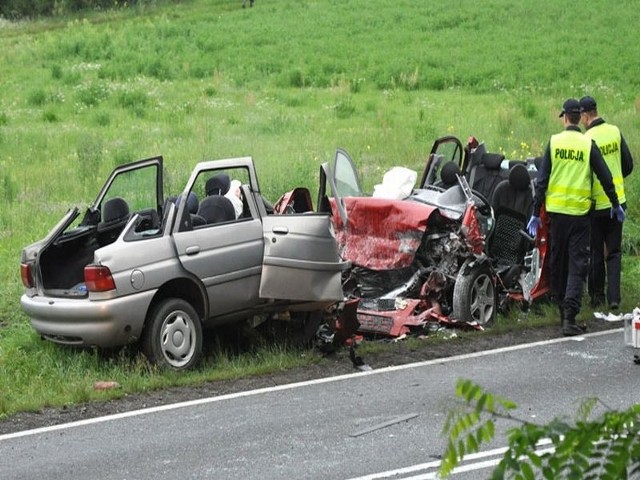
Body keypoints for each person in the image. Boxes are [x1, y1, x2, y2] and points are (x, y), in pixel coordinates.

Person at [527, 98, 624, 336]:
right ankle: (569, 317)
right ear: (579, 116)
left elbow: (542, 181)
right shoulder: (587, 143)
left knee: (558, 262)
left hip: (557, 215)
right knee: (577, 264)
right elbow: (605, 175)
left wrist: (534, 212)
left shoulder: (554, 142)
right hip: (580, 216)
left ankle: (563, 311)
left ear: (564, 118)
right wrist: (614, 203)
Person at [580, 96, 634, 311]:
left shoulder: (588, 138)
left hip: (596, 205)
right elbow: (628, 165)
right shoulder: (615, 131)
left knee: (595, 252)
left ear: (585, 115)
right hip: (617, 203)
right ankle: (614, 299)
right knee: (614, 253)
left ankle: (596, 297)